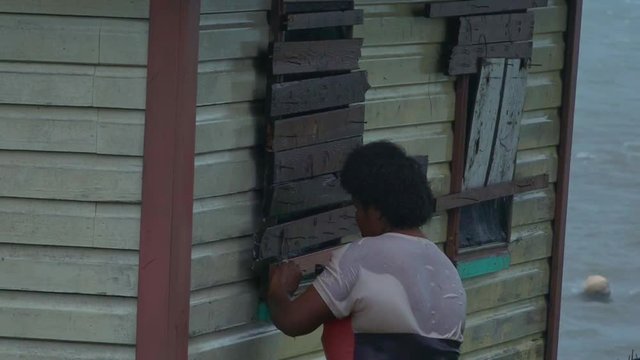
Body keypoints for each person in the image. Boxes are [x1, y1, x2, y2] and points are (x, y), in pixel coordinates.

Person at [267, 141, 466, 360]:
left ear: (377, 210)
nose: (357, 219)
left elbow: (292, 320)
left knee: (341, 316)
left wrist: (279, 289)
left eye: (358, 208)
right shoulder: (447, 269)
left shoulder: (360, 256)